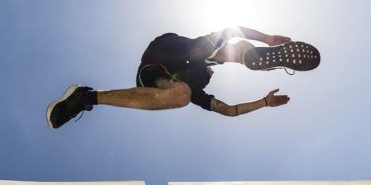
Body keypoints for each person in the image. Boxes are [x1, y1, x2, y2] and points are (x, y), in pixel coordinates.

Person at [46, 26, 320, 129]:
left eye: (208, 75)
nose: (209, 76)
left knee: (181, 96)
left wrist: (264, 102)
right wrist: (266, 38)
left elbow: (228, 111)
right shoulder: (204, 50)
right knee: (208, 51)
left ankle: (86, 96)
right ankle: (247, 53)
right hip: (161, 54)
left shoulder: (195, 86)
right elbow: (232, 28)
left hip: (167, 78)